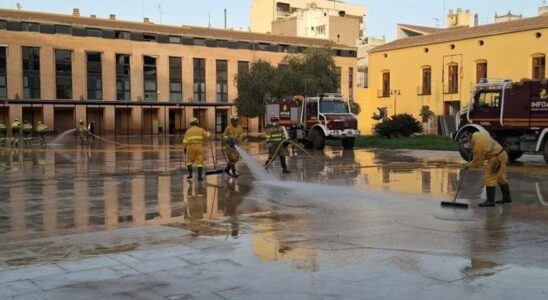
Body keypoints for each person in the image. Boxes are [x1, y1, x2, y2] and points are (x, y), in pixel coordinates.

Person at [465, 132, 511, 207]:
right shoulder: (478, 134)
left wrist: (468, 165)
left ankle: (490, 201)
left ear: (470, 140)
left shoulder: (477, 146)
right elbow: (485, 152)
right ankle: (507, 198)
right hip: (502, 154)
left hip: (496, 159)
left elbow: (478, 162)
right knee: (501, 178)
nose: (470, 145)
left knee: (489, 177)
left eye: (469, 143)